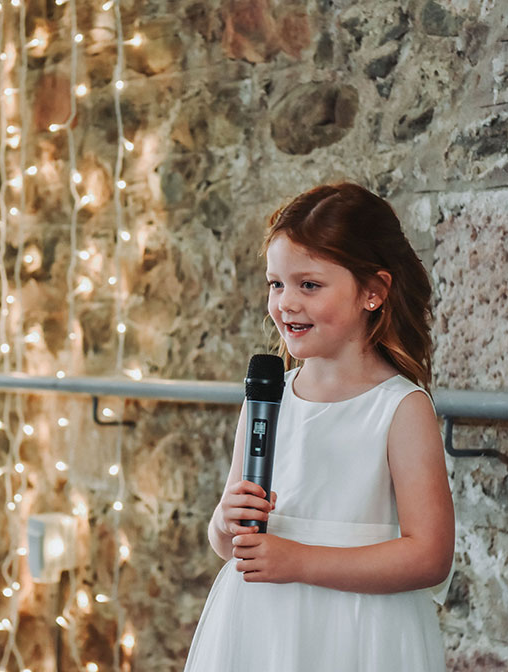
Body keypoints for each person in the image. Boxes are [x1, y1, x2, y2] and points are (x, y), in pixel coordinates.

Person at [184, 183, 455, 672]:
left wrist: (301, 562)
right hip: (261, 624)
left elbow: (429, 555)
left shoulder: (400, 408)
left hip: (357, 631)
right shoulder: (267, 399)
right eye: (276, 284)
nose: (286, 303)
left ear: (373, 292)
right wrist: (225, 521)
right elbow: (229, 543)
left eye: (309, 285)